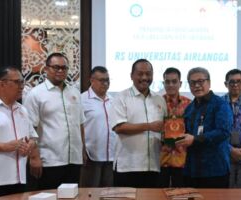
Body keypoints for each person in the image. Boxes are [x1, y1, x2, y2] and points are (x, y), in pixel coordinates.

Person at [24, 52, 86, 190]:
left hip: (74, 159)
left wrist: (82, 149)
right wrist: (34, 157)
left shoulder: (74, 92)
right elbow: (29, 128)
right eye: (56, 67)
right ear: (46, 69)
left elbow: (80, 123)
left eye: (64, 68)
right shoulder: (36, 94)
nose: (60, 71)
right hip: (49, 160)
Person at [0, 66, 38, 200]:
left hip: (19, 179)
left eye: (22, 82)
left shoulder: (22, 109)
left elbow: (32, 137)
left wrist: (30, 145)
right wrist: (4, 147)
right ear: (2, 83)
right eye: (17, 82)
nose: (21, 87)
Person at [110, 59, 166, 188]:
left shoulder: (159, 99)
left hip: (153, 165)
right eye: (140, 74)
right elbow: (119, 127)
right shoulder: (121, 97)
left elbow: (164, 128)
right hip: (128, 166)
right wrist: (149, 126)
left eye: (148, 74)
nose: (145, 77)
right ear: (131, 75)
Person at [175, 67, 232, 188]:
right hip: (192, 169)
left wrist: (195, 139)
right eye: (192, 82)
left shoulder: (221, 104)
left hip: (215, 169)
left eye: (201, 81)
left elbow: (223, 132)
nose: (197, 85)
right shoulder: (190, 108)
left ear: (209, 82)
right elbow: (186, 133)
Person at [80, 66, 116, 187]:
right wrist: (82, 149)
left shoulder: (113, 100)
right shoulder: (82, 100)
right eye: (101, 80)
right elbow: (77, 127)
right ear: (92, 80)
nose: (105, 84)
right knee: (90, 194)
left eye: (107, 80)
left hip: (111, 156)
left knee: (109, 195)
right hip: (91, 156)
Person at [159, 67, 191, 187]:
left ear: (180, 83)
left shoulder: (189, 104)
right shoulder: (157, 103)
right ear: (163, 83)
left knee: (181, 198)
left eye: (174, 81)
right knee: (159, 198)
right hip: (161, 159)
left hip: (182, 158)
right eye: (167, 82)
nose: (171, 85)